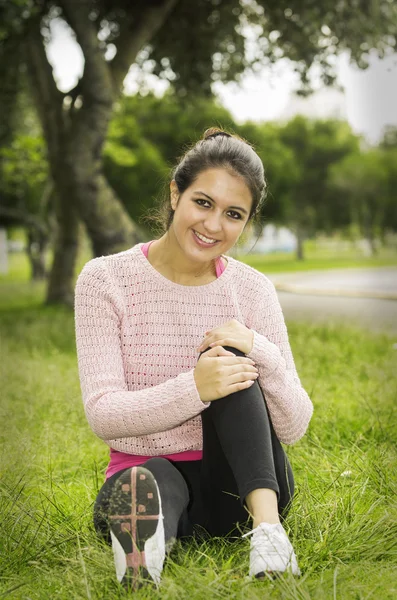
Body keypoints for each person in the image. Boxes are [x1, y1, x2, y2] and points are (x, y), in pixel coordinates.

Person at [74, 128, 314, 591]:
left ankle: (269, 535)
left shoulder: (252, 290)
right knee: (154, 478)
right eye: (202, 203)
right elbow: (102, 413)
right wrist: (194, 388)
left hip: (243, 485)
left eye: (233, 214)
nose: (213, 225)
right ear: (175, 193)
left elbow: (295, 425)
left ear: (247, 222)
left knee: (230, 360)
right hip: (145, 475)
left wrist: (256, 348)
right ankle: (144, 549)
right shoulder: (105, 281)